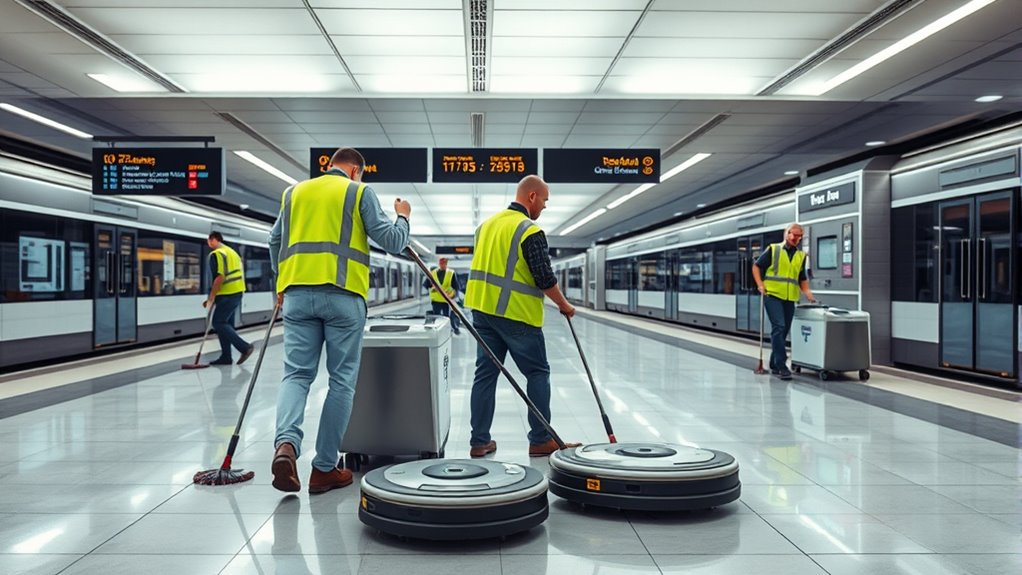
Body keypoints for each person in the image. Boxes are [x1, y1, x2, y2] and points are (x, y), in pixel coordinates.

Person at [268, 147, 411, 494]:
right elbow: (393, 242)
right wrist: (403, 216)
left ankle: (286, 444)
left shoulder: (294, 192)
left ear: (328, 166)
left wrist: (281, 283)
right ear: (356, 171)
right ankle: (324, 468)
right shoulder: (358, 191)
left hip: (298, 296)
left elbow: (274, 241)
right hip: (343, 296)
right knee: (341, 382)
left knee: (297, 375)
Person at [465, 174, 581, 458]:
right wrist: (564, 304)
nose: (544, 206)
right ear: (531, 197)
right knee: (538, 372)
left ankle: (479, 442)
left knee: (485, 376)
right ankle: (540, 439)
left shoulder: (485, 227)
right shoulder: (529, 230)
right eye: (544, 200)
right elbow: (544, 277)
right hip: (516, 315)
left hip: (482, 312)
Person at [752, 223, 817, 380]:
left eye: (799, 236)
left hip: (790, 297)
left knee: (783, 330)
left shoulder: (801, 256)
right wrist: (760, 285)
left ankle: (774, 363)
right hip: (772, 294)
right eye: (793, 235)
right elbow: (756, 266)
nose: (796, 238)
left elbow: (802, 277)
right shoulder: (773, 249)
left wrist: (807, 291)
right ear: (786, 234)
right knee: (779, 326)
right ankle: (782, 365)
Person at [203, 232, 254, 366]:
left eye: (208, 240)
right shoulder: (232, 252)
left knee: (218, 322)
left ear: (213, 240)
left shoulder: (216, 254)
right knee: (226, 325)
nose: (208, 244)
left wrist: (211, 298)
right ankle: (226, 356)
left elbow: (219, 277)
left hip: (226, 294)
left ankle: (244, 347)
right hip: (237, 292)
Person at [423, 257, 461, 335]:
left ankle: (447, 331)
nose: (442, 265)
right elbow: (426, 284)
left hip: (446, 300)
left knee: (446, 317)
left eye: (444, 263)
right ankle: (436, 330)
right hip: (436, 300)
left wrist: (453, 295)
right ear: (439, 263)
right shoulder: (432, 273)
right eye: (441, 263)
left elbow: (456, 287)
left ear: (446, 264)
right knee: (436, 316)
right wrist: (432, 287)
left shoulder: (451, 273)